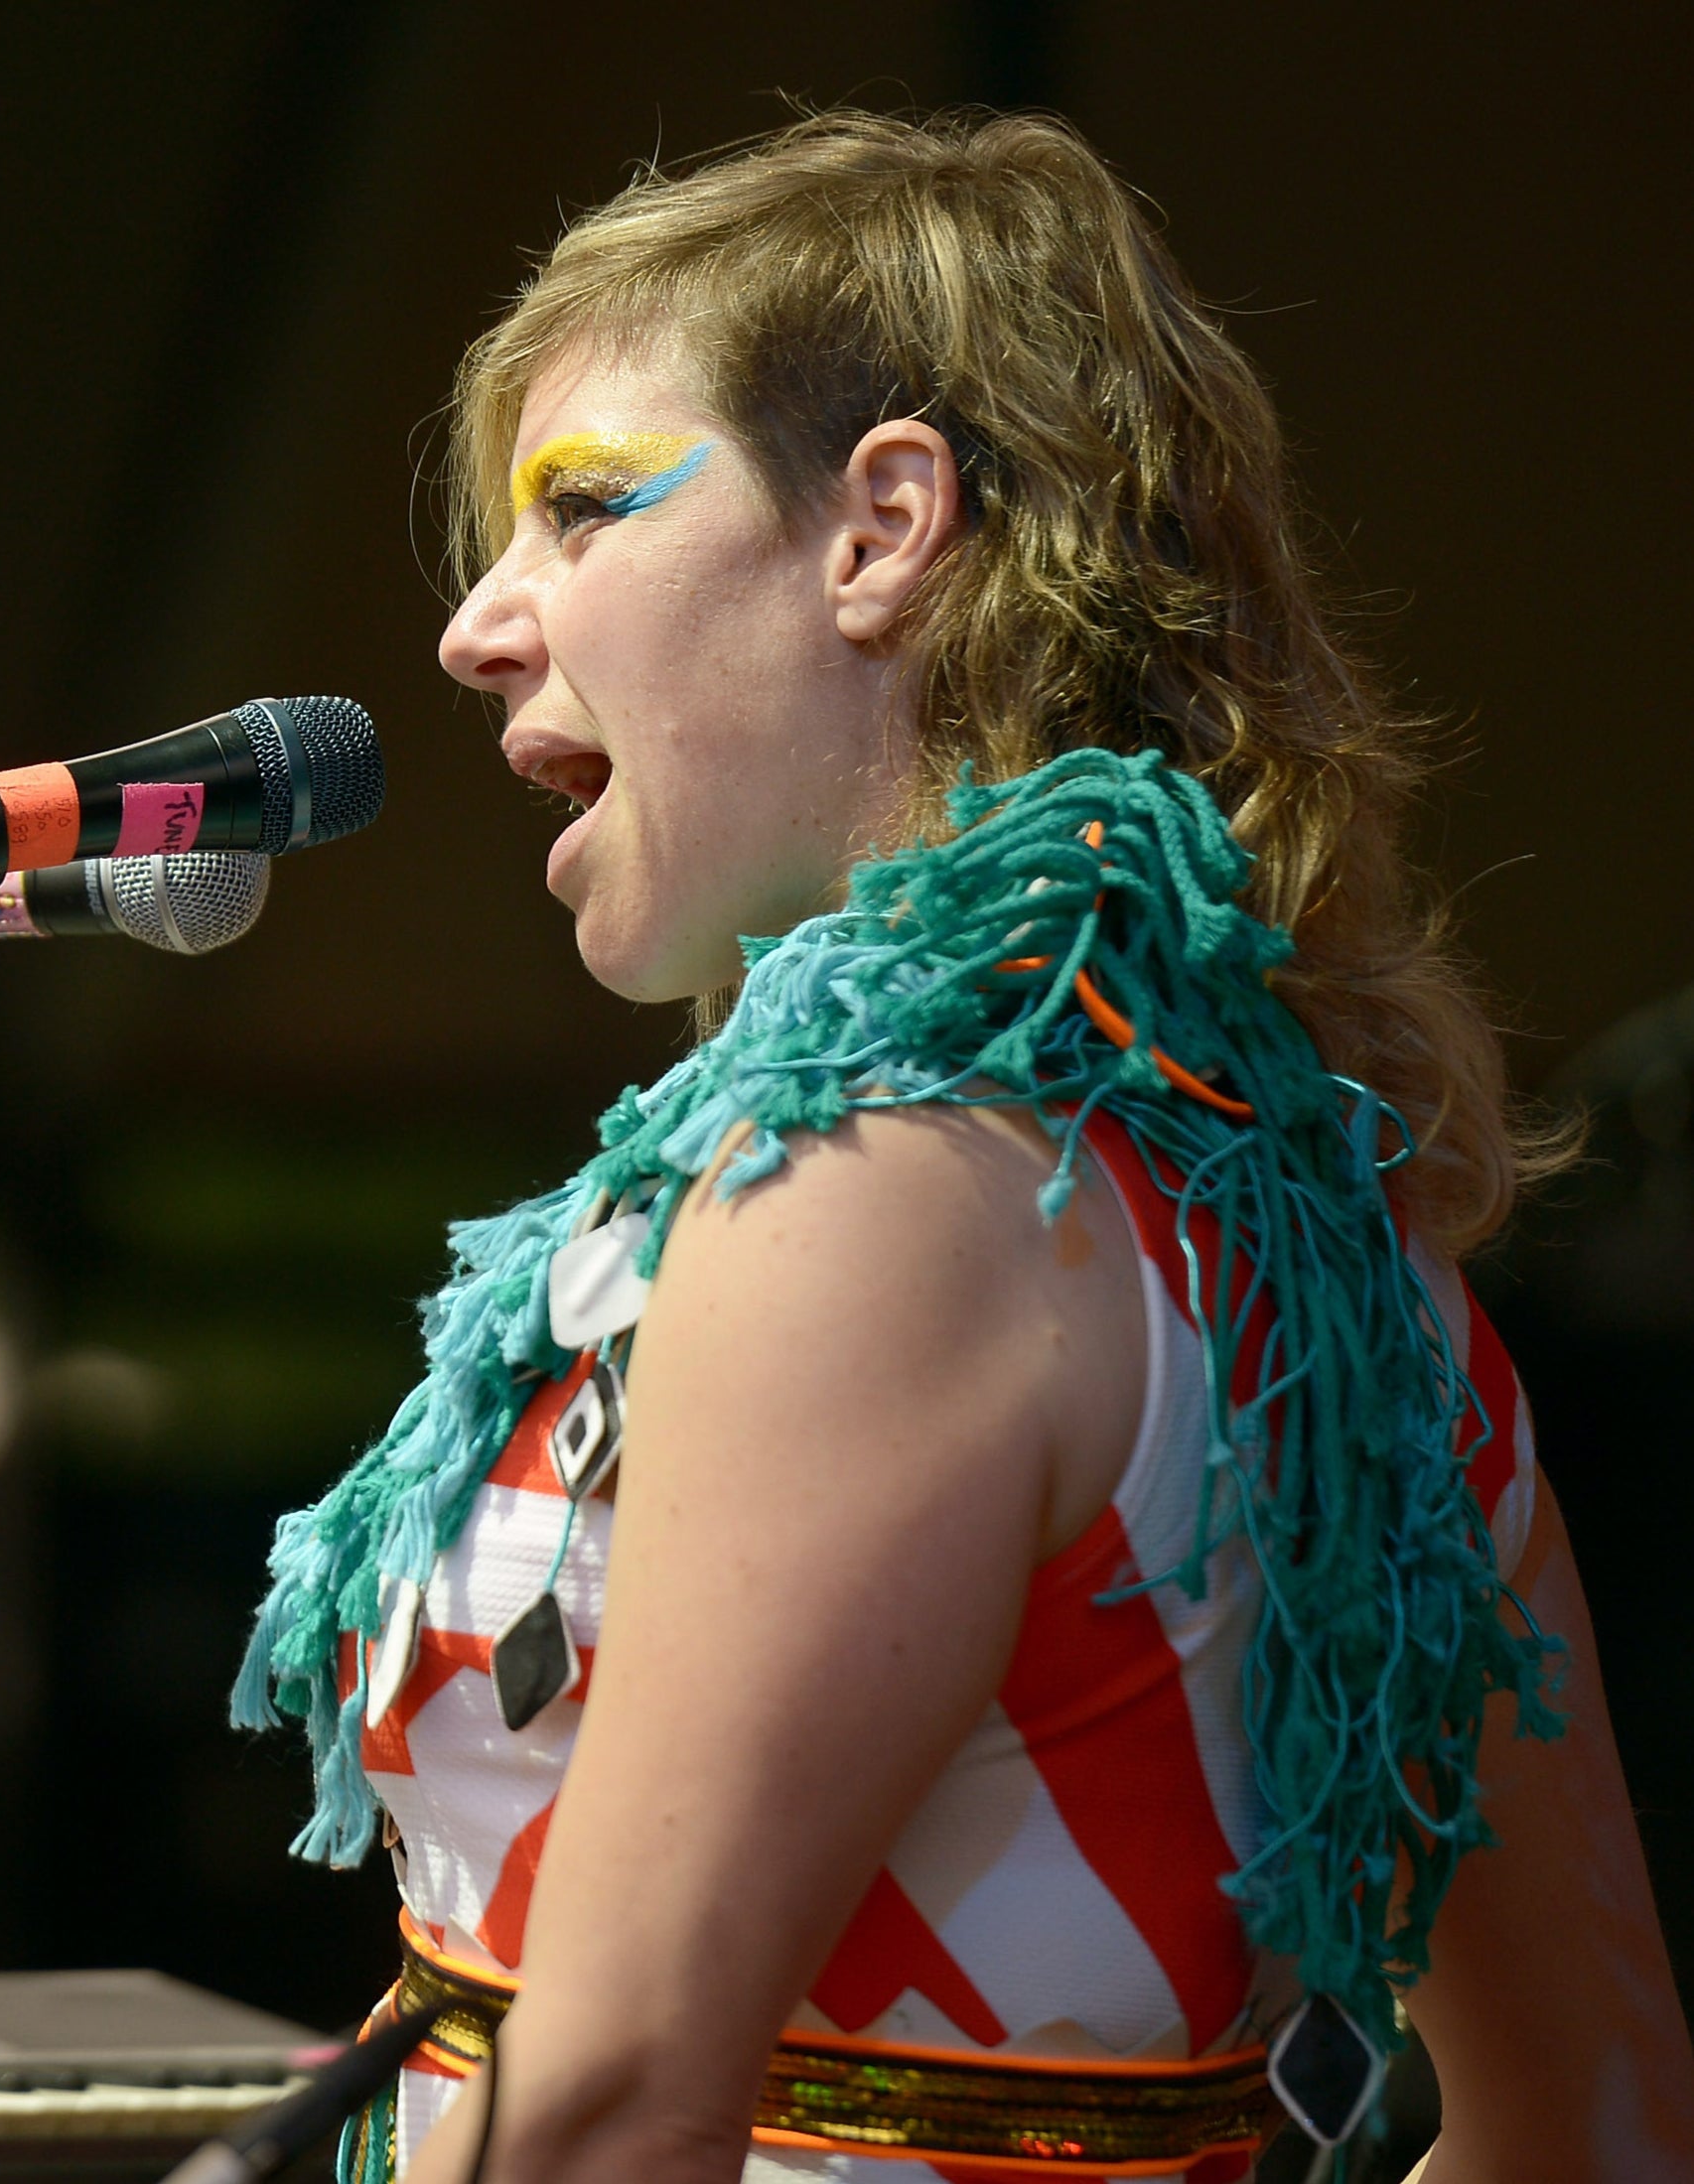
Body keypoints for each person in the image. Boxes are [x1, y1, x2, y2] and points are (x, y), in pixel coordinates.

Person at [232, 111, 1694, 2182]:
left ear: (882, 525)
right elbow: (1599, 2119)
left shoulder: (879, 1190)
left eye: (576, 512)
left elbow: (612, 2102)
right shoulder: (1326, 1240)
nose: (480, 623)